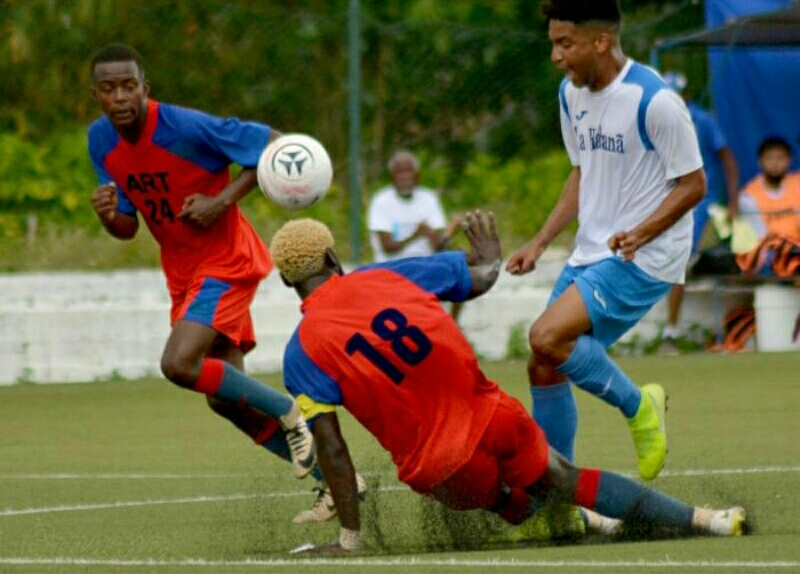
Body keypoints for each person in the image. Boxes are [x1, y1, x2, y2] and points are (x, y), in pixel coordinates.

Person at [270, 212, 746, 553]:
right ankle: (705, 521)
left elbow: (331, 449)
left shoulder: (299, 354)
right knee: (565, 479)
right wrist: (490, 257)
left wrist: (349, 540)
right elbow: (478, 279)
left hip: (440, 472)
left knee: (504, 500)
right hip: (492, 418)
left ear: (290, 283)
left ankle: (549, 517)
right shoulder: (383, 275)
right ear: (332, 255)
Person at [87, 42, 333, 522]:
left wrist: (221, 201)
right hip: (183, 273)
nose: (121, 97)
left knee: (179, 364)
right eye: (109, 88)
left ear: (145, 88)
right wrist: (107, 217)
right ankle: (335, 483)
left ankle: (289, 412)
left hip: (226, 261)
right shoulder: (101, 141)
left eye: (129, 86)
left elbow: (277, 144)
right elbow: (128, 225)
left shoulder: (184, 126)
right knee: (225, 399)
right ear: (95, 94)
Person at [505, 0, 706, 479]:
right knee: (543, 362)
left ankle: (640, 408)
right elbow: (582, 172)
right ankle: (559, 488)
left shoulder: (653, 100)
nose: (555, 56)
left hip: (645, 256)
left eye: (564, 44)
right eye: (553, 43)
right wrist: (541, 239)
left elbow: (694, 185)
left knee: (546, 336)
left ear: (600, 41)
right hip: (593, 251)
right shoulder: (570, 96)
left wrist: (641, 232)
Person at [659, 72, 742, 354]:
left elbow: (728, 159)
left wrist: (732, 202)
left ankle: (672, 332)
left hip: (702, 205)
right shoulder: (655, 121)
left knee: (680, 263)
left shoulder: (702, 120)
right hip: (670, 202)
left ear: (684, 96)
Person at [367, 149, 464, 320]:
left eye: (408, 171)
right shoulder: (381, 201)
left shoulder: (428, 198)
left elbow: (439, 245)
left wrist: (450, 230)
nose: (404, 177)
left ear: (417, 176)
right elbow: (387, 247)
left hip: (425, 265)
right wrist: (416, 234)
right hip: (392, 269)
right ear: (392, 177)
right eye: (399, 172)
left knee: (461, 268)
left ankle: (453, 326)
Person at [738, 136, 800, 241]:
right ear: (760, 161)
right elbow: (760, 237)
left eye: (780, 158)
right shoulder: (747, 196)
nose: (775, 163)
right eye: (769, 158)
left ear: (789, 160)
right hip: (770, 253)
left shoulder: (797, 183)